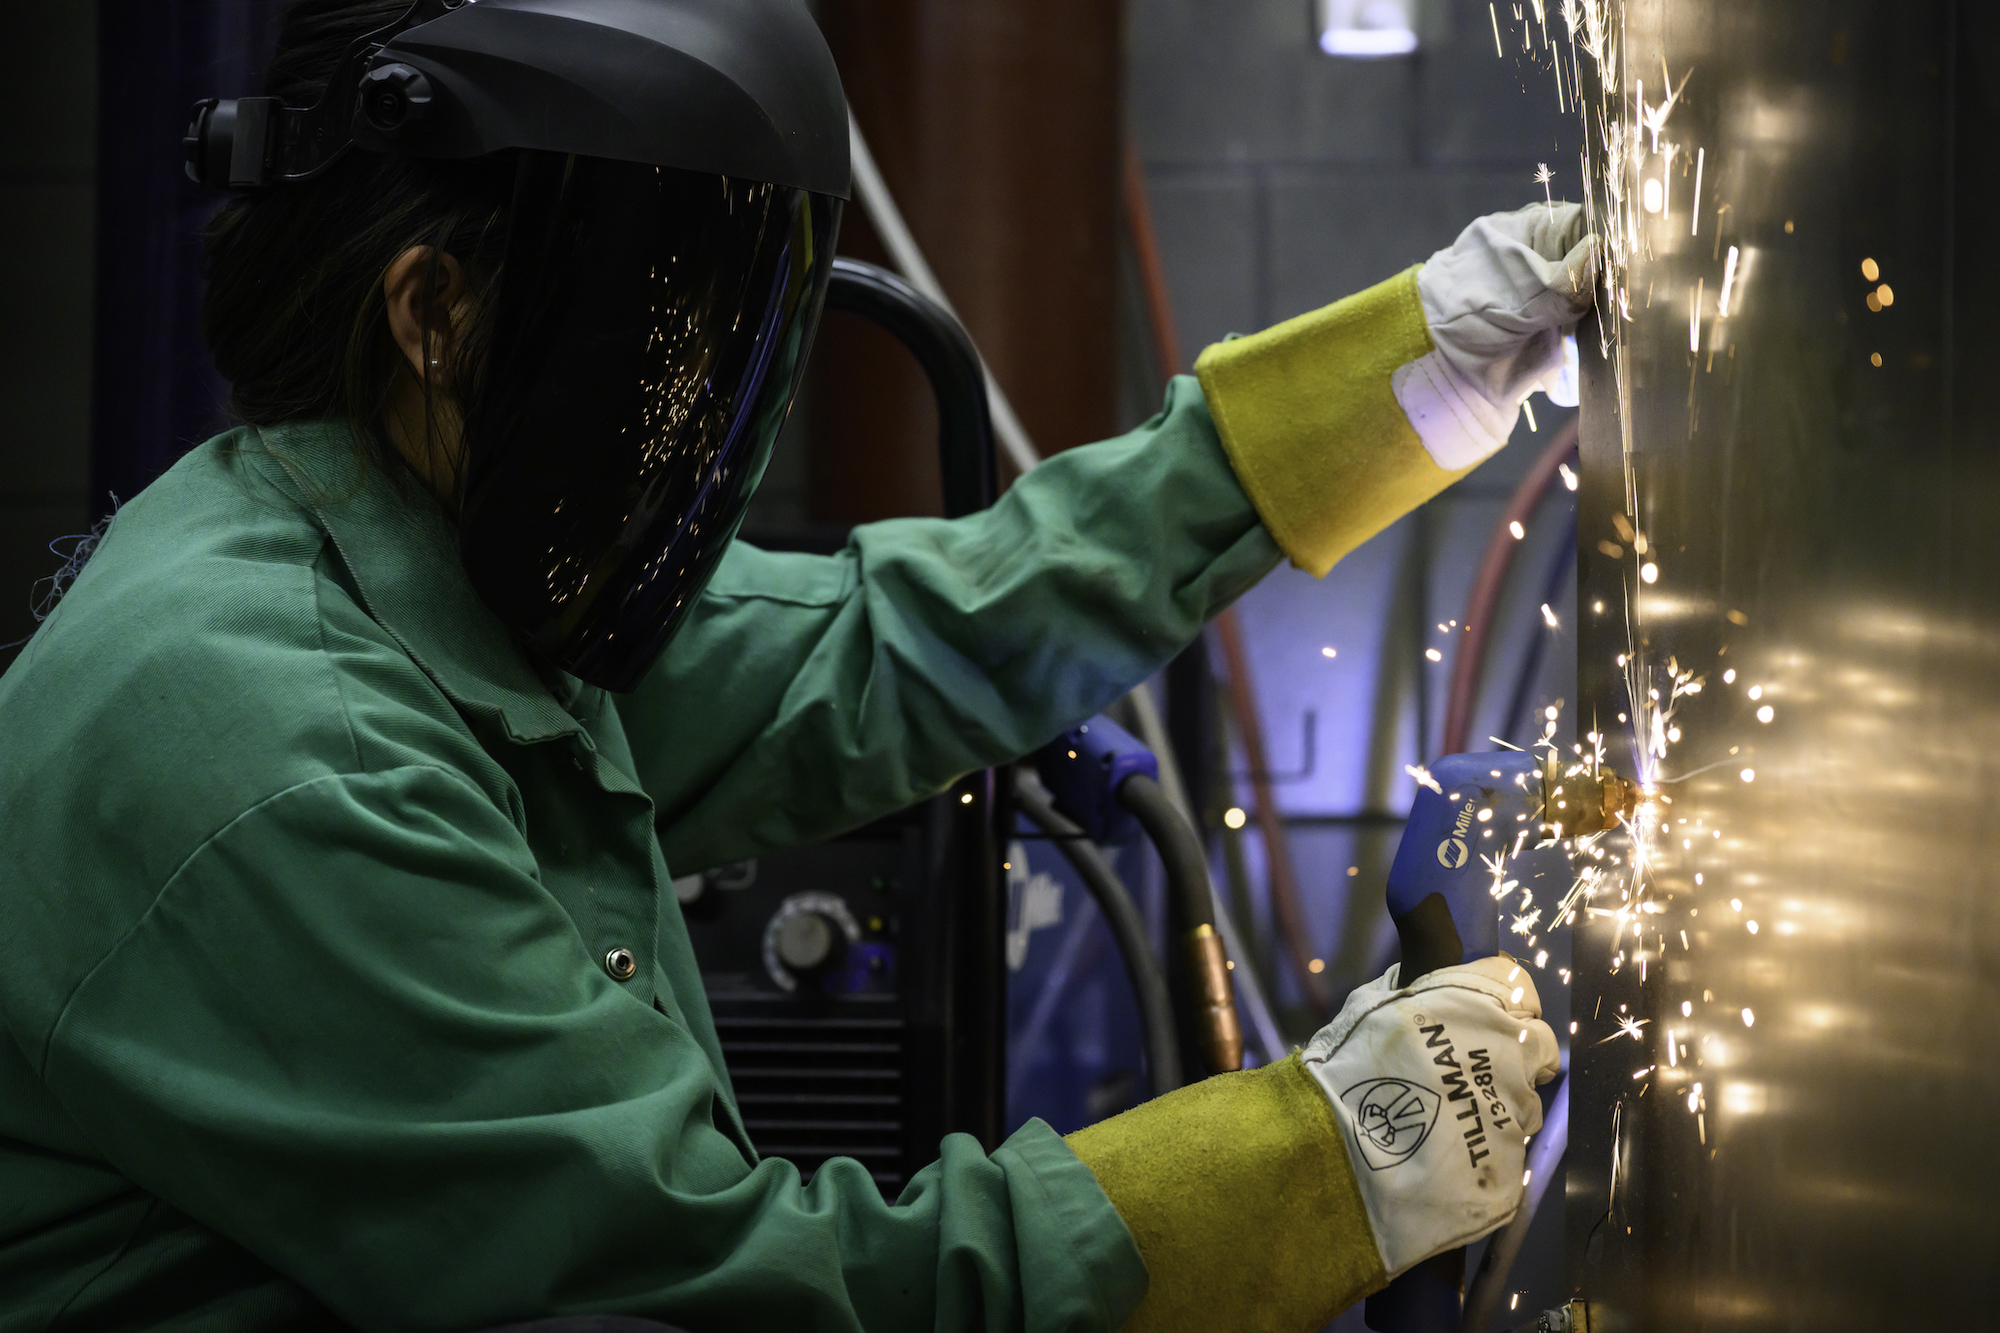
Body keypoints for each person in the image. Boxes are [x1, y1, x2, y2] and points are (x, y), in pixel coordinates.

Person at [0, 2, 1591, 1330]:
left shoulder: (442, 576)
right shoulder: (285, 753)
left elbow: (894, 636)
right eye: (662, 335)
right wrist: (1320, 1162)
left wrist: (1422, 368)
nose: (699, 408)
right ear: (434, 312)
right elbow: (718, 1291)